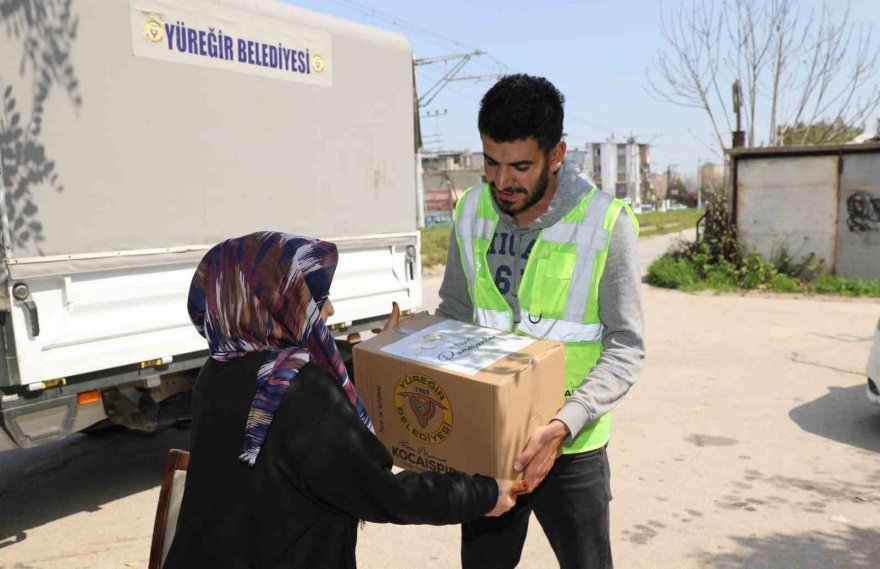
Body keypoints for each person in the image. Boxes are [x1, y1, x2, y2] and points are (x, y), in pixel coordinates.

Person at [164, 231, 522, 569]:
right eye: (315, 298)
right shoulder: (299, 390)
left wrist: (376, 354)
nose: (330, 309)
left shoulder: (218, 371)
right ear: (279, 304)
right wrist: (485, 493)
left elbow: (310, 427)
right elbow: (385, 492)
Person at [437, 74, 646, 569]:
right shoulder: (470, 211)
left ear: (556, 155)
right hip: (489, 440)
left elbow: (626, 345)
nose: (502, 181)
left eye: (521, 166)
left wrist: (562, 426)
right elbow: (453, 312)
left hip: (572, 447)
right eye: (491, 162)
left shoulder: (607, 224)